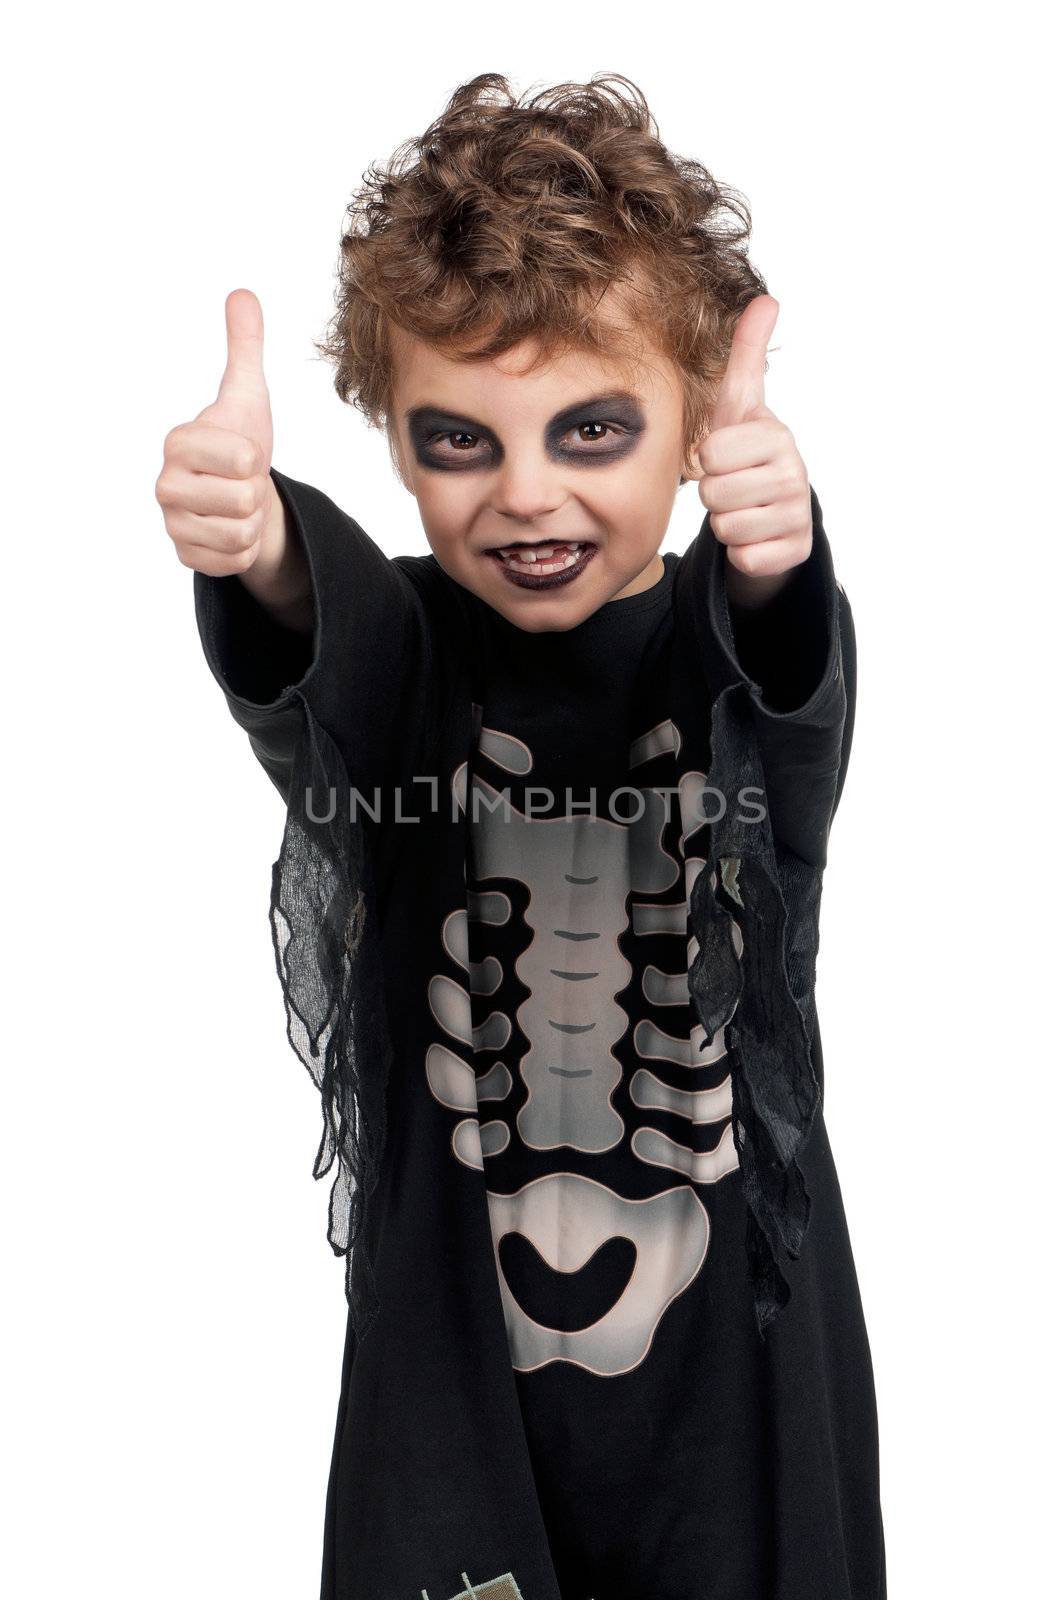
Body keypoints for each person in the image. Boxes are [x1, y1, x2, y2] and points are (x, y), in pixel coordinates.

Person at [155, 72, 885, 1600]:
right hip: (455, 1401)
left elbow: (787, 677)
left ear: (693, 424)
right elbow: (325, 638)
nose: (530, 494)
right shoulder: (410, 666)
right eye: (461, 441)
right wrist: (265, 544)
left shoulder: (718, 643)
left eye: (595, 428)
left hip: (732, 1395)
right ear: (399, 447)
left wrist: (773, 556)